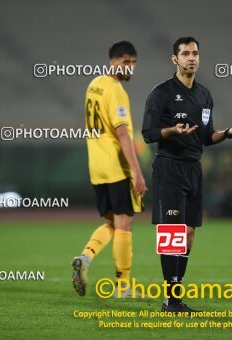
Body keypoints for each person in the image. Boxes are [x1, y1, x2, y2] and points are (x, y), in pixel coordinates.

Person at [142, 37, 232, 312]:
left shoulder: (204, 95)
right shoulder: (161, 93)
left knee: (188, 234)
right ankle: (171, 300)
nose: (192, 58)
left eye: (195, 53)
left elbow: (206, 137)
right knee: (173, 233)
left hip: (194, 168)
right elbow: (148, 134)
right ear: (174, 59)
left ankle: (175, 297)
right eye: (185, 53)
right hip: (169, 168)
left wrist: (228, 133)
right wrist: (172, 131)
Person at [72, 41, 147, 297]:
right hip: (116, 167)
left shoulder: (94, 84)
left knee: (111, 223)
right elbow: (123, 134)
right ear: (113, 61)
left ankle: (85, 258)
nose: (131, 67)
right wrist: (137, 172)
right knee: (124, 224)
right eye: (126, 62)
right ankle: (124, 286)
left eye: (134, 62)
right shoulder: (116, 90)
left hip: (97, 166)